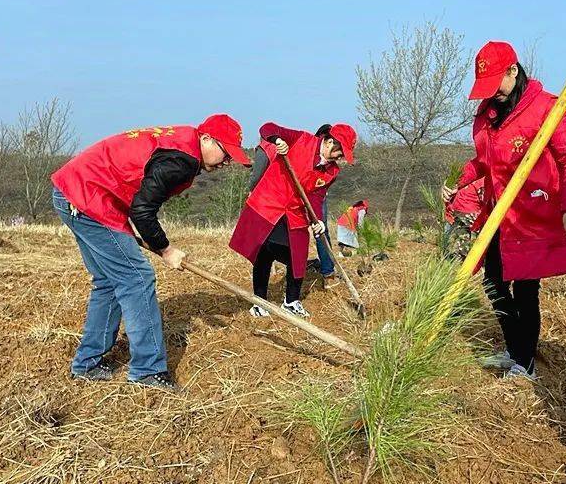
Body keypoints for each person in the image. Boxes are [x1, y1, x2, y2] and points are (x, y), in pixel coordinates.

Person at [51, 116, 251, 390]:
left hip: (74, 189)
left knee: (109, 281)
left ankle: (88, 363)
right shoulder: (181, 160)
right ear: (206, 139)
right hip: (89, 198)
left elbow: (139, 199)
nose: (226, 162)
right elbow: (143, 211)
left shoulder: (182, 141)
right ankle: (147, 370)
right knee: (137, 278)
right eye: (226, 153)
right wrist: (166, 249)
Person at [442, 41, 566, 378]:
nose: (493, 94)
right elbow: (483, 162)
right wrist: (459, 180)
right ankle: (516, 349)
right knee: (493, 282)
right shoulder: (488, 115)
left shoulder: (546, 108)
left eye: (497, 85)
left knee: (525, 290)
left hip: (533, 215)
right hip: (498, 216)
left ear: (513, 70)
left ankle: (526, 364)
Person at [230, 122, 357, 318]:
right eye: (341, 151)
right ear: (331, 141)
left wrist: (318, 220)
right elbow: (267, 128)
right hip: (268, 203)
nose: (341, 157)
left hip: (295, 213)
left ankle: (291, 301)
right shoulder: (301, 140)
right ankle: (259, 302)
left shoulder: (332, 171)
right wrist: (277, 140)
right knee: (266, 250)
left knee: (297, 256)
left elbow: (316, 197)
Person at [444, 178, 484, 260]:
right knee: (462, 251)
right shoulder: (483, 181)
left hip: (454, 214)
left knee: (451, 249)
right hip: (466, 217)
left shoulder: (463, 176)